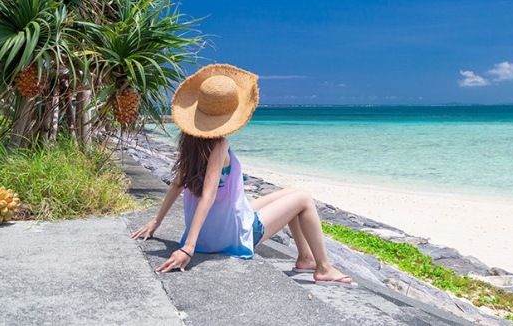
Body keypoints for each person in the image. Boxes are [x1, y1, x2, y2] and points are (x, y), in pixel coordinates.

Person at [130, 63, 355, 287]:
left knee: (292, 194)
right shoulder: (219, 145)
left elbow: (177, 184)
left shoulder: (190, 141)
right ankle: (324, 267)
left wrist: (156, 221)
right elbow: (208, 195)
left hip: (213, 230)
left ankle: (306, 258)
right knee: (304, 198)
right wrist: (188, 248)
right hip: (230, 236)